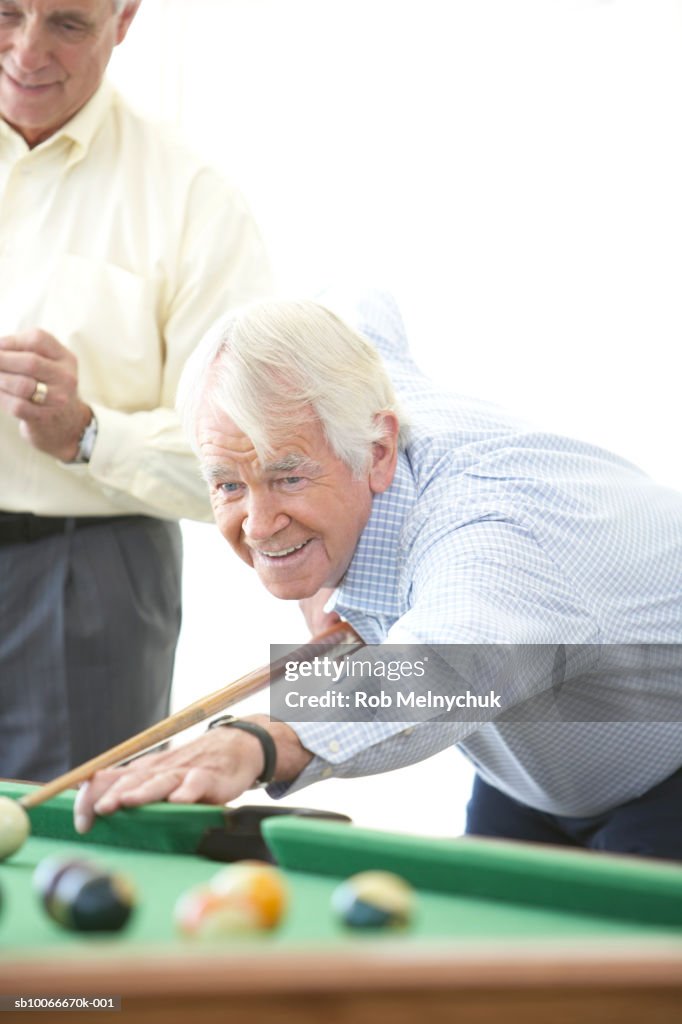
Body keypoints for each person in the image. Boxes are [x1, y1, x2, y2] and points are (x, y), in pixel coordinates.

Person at [74, 293, 682, 859]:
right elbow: (358, 299)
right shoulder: (345, 372)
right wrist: (321, 568)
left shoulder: (488, 539)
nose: (257, 527)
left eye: (288, 476)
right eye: (229, 484)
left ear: (380, 451)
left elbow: (430, 672)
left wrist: (256, 740)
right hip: (539, 769)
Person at [0, 0, 271, 780]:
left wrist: (88, 433)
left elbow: (241, 462)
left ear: (124, 19)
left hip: (85, 580)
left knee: (66, 846)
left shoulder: (195, 202)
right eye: (8, 13)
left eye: (68, 24)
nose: (27, 50)